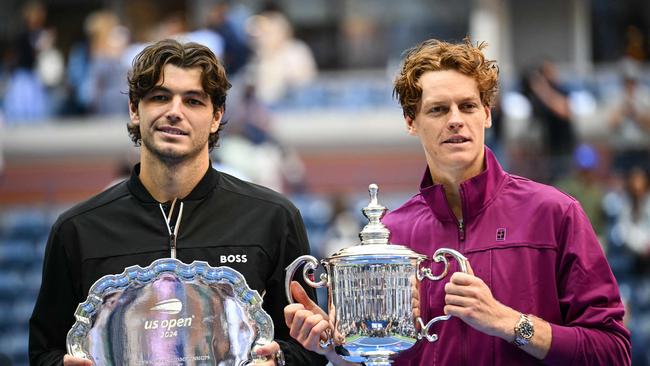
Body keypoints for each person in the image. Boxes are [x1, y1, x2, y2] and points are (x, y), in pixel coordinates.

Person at [284, 38, 631, 365]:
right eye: (437, 109)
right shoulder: (391, 235)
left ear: (487, 115)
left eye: (467, 106)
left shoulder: (554, 213)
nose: (455, 120)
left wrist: (510, 323)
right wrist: (335, 347)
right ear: (411, 122)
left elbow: (613, 351)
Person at [29, 39, 327, 366]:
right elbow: (44, 351)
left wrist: (279, 360)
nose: (175, 111)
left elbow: (309, 347)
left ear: (216, 116)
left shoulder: (273, 218)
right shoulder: (77, 230)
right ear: (134, 109)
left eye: (193, 101)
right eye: (160, 97)